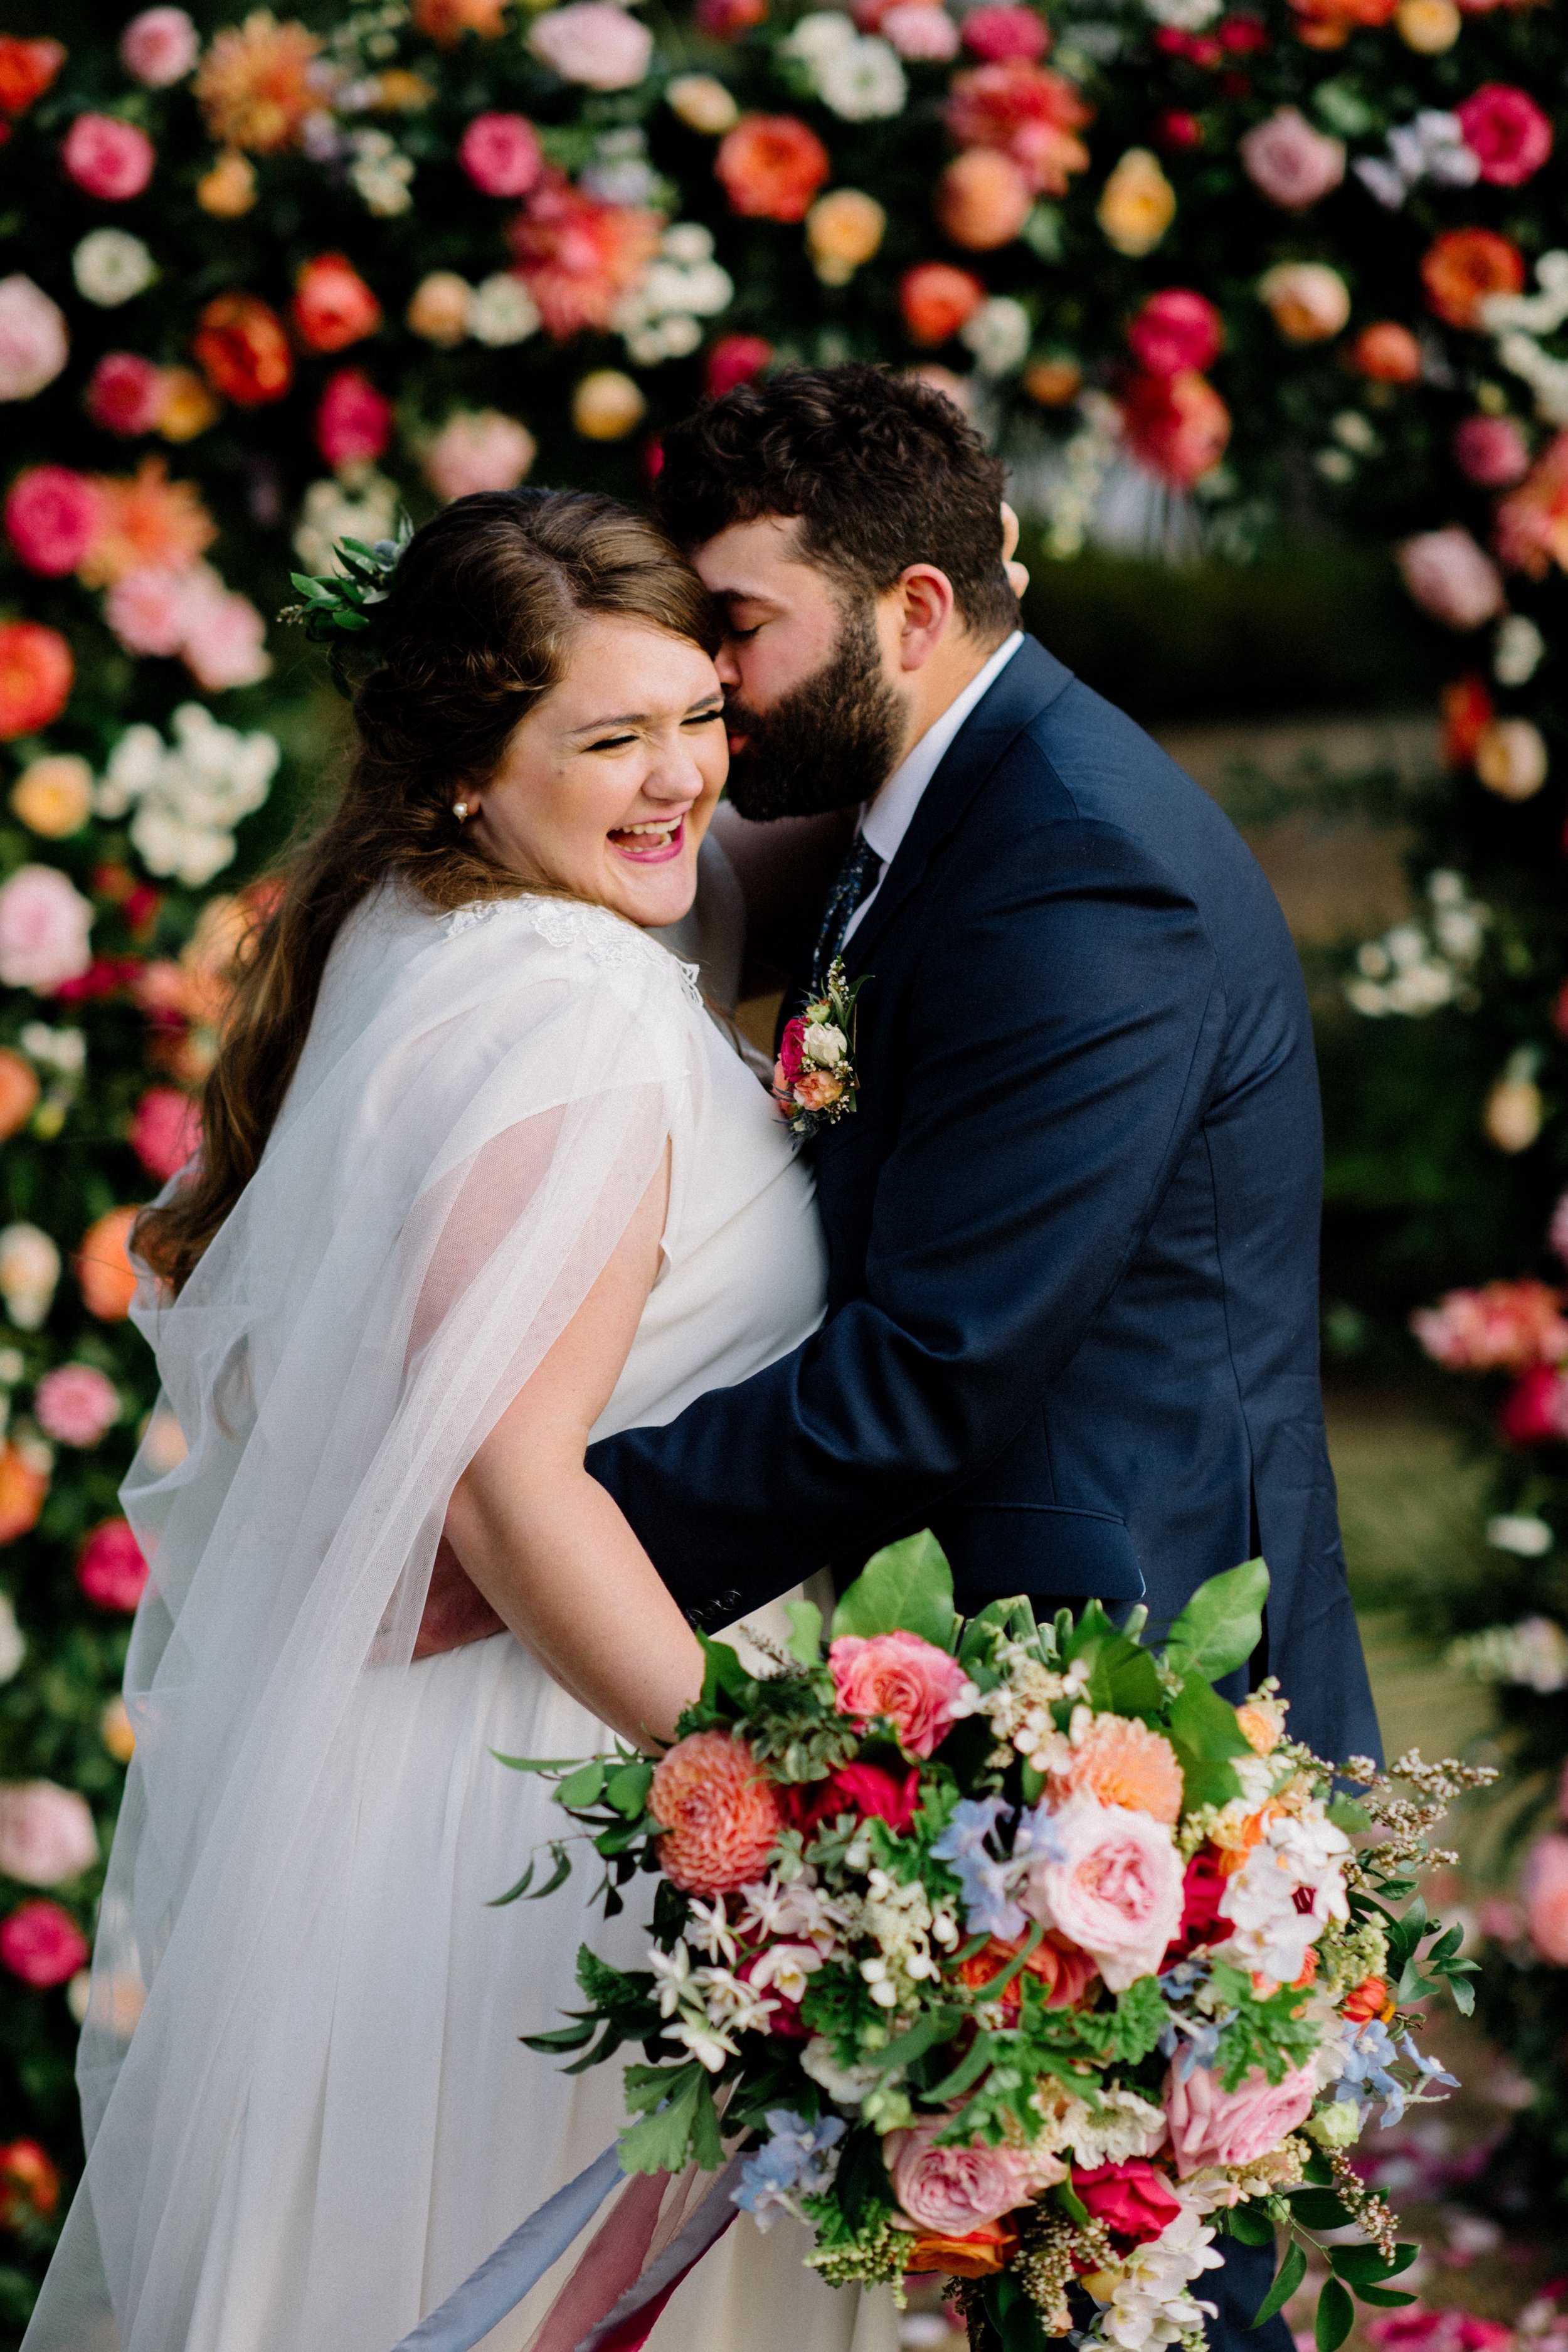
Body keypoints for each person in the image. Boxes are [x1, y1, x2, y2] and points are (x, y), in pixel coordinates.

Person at [22, 491, 896, 2352]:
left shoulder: (433, 920)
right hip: (558, 1793)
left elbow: (757, 843)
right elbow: (508, 1491)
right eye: (610, 739)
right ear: (463, 771)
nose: (676, 782)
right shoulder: (571, 1006)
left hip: (453, 1761)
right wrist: (794, 1811)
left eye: (700, 718)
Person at [583, 365, 1382, 2352]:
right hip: (1016, 1686)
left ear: (915, 608)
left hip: (1136, 1723)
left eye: (738, 632)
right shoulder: (930, 797)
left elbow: (929, 1371)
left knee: (1144, 2315)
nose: (715, 690)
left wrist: (540, 1536)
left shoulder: (1072, 865)